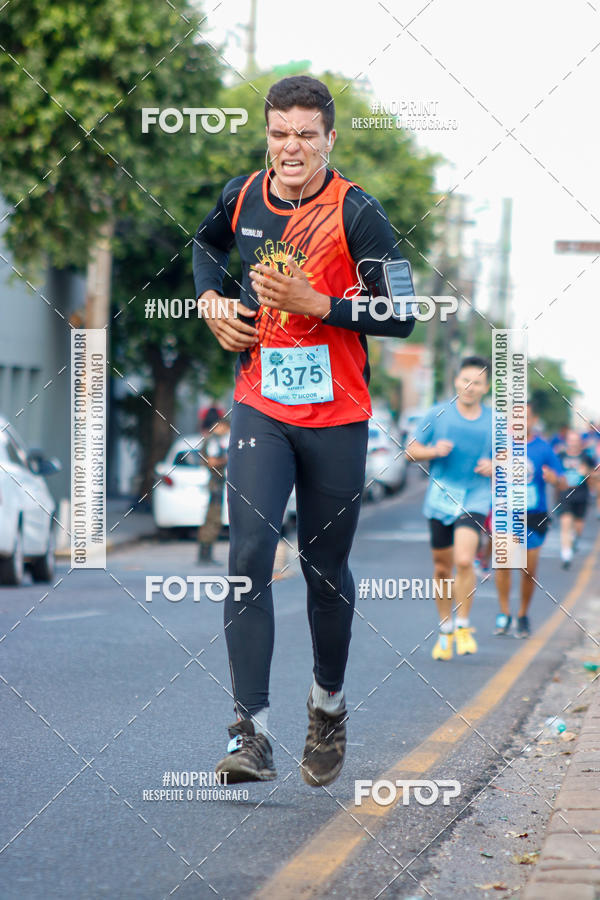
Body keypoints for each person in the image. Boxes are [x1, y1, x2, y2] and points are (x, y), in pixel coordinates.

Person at [192, 75, 416, 785]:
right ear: (268, 135)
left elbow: (401, 315)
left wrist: (320, 302)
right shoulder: (243, 194)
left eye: (305, 135)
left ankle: (328, 704)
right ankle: (249, 733)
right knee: (250, 551)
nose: (291, 147)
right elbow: (204, 245)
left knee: (324, 570)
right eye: (279, 133)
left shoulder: (359, 214)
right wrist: (209, 300)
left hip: (339, 416)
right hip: (262, 405)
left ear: (329, 140)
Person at [407, 357, 492, 661]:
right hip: (441, 498)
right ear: (457, 381)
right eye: (465, 380)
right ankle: (445, 628)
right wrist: (433, 451)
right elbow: (409, 451)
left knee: (465, 559)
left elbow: (513, 460)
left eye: (477, 383)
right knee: (442, 567)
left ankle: (464, 626)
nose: (470, 387)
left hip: (476, 498)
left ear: (487, 387)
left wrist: (495, 464)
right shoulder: (438, 413)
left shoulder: (494, 421)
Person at [494, 402, 566, 638]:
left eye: (524, 418)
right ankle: (505, 613)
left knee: (528, 570)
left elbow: (562, 482)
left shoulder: (544, 449)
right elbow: (487, 474)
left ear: (533, 421)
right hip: (506, 513)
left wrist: (553, 477)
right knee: (504, 565)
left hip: (534, 516)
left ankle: (523, 614)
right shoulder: (500, 447)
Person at [557, 430, 596, 568]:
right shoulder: (560, 456)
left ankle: (574, 540)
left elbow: (596, 474)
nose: (573, 443)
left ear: (580, 442)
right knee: (565, 523)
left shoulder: (586, 457)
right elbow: (553, 473)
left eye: (576, 440)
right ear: (567, 441)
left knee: (578, 527)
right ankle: (566, 555)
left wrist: (588, 473)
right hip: (565, 495)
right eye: (571, 440)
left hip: (581, 495)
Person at [197, 408, 229, 564]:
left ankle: (206, 553)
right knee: (212, 519)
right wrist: (228, 459)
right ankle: (204, 554)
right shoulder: (213, 440)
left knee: (214, 519)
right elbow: (211, 462)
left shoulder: (214, 439)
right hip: (214, 483)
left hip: (216, 483)